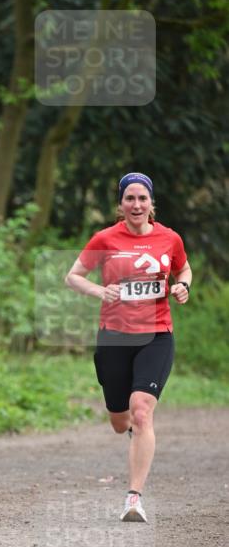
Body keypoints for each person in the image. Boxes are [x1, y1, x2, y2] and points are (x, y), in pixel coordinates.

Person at [65, 172, 192, 522]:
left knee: (141, 410)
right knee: (121, 421)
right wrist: (99, 291)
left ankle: (133, 498)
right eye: (130, 199)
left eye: (142, 199)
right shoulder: (105, 238)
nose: (136, 205)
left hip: (157, 334)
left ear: (152, 203)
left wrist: (183, 287)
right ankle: (132, 431)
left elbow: (184, 271)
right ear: (121, 205)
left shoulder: (169, 238)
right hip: (115, 337)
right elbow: (73, 276)